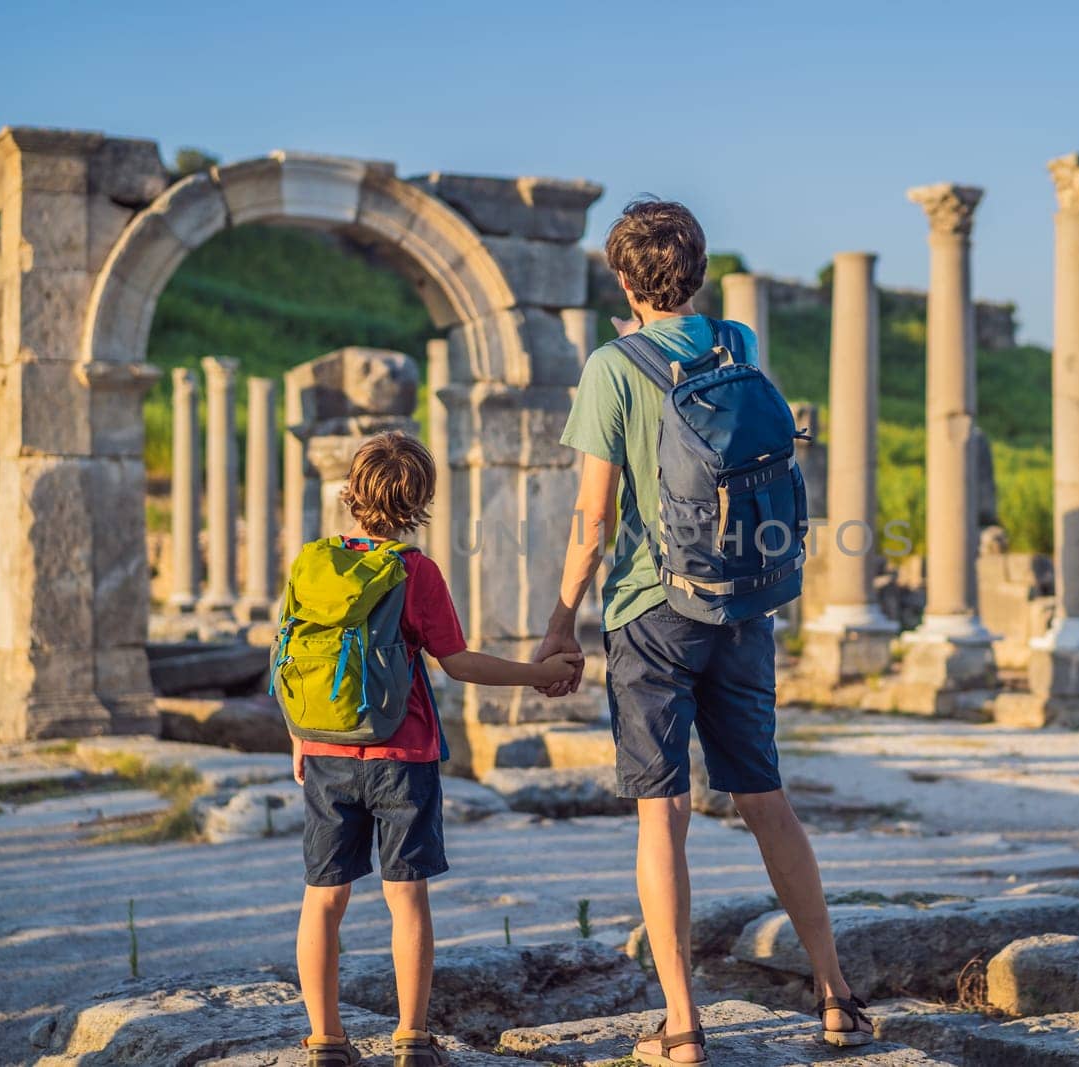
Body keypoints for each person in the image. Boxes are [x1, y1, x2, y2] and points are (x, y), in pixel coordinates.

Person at [534, 199, 874, 1066]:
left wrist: (559, 615)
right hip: (744, 603)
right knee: (766, 799)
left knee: (664, 811)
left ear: (622, 280)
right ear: (700, 270)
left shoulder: (613, 365)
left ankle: (683, 1025)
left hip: (654, 609)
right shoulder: (738, 347)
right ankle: (837, 997)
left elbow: (594, 511)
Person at [288, 431, 581, 1067]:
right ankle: (413, 1040)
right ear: (422, 500)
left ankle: (324, 1041)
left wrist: (299, 739)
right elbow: (458, 663)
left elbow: (289, 653)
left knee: (323, 897)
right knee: (406, 896)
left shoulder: (312, 562)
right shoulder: (414, 571)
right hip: (403, 755)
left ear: (351, 493)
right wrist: (540, 674)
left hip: (326, 750)